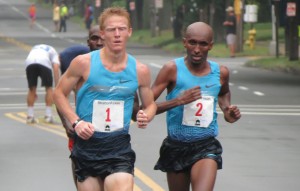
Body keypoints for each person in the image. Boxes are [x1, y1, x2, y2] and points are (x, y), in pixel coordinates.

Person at [53, 7, 157, 191]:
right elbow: (59, 93)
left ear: (129, 32)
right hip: (87, 146)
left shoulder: (140, 70)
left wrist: (146, 115)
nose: (117, 34)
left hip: (118, 148)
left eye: (122, 29)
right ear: (102, 33)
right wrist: (76, 122)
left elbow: (150, 105)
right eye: (111, 29)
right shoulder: (83, 63)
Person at [151, 22, 241, 191]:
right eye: (192, 43)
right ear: (185, 42)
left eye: (203, 44)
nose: (197, 49)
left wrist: (227, 109)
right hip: (176, 145)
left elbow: (223, 92)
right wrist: (177, 101)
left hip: (206, 145)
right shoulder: (171, 69)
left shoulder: (221, 72)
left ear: (211, 46)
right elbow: (145, 108)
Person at [57, 25, 104, 188]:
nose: (99, 43)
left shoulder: (122, 67)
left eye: (102, 38)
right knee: (82, 181)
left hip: (113, 140)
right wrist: (68, 123)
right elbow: (59, 94)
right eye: (94, 39)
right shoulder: (80, 67)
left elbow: (136, 108)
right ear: (88, 42)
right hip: (83, 134)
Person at [25, 44, 60, 124]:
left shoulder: (35, 47)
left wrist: (33, 93)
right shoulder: (54, 52)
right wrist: (58, 85)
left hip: (29, 62)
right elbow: (55, 67)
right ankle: (48, 115)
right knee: (49, 88)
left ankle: (30, 116)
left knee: (31, 89)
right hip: (44, 62)